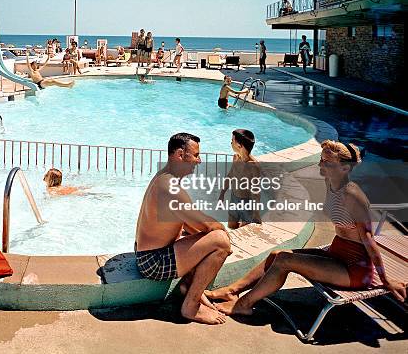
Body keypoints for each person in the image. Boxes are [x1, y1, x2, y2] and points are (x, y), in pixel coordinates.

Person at [208, 140, 407, 316]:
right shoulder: (331, 183)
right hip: (336, 254)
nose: (320, 164)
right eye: (321, 159)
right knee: (276, 254)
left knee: (284, 260)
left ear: (345, 168)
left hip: (354, 268)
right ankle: (231, 291)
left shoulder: (352, 195)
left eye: (327, 162)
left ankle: (244, 304)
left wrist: (385, 279)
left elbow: (369, 240)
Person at [135, 133, 232, 324]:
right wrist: (222, 231)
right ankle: (191, 305)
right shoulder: (169, 186)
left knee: (202, 236)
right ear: (180, 154)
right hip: (154, 262)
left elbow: (189, 221)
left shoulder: (165, 176)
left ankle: (188, 287)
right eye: (195, 155)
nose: (199, 160)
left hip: (148, 254)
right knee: (220, 242)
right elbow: (205, 224)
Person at [219, 130, 262, 229]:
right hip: (234, 198)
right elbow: (230, 176)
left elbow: (256, 191)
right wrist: (222, 194)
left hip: (247, 203)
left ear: (239, 145)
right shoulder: (236, 158)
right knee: (231, 227)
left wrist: (256, 213)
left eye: (232, 141)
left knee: (245, 230)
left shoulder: (253, 166)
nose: (230, 143)